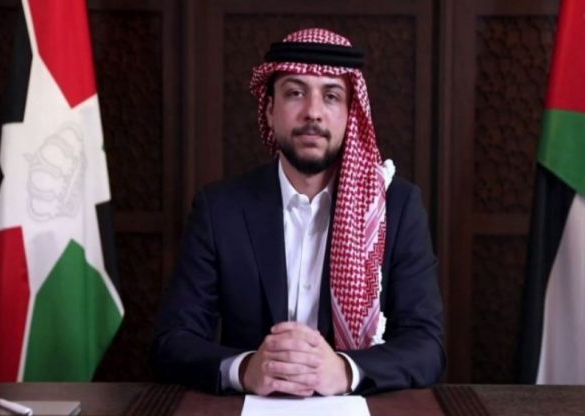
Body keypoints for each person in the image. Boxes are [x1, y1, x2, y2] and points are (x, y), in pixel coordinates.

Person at [150, 28, 445, 396]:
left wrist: (346, 370)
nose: (312, 113)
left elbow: (427, 346)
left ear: (351, 113)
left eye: (331, 96)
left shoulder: (395, 208)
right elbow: (171, 341)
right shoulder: (220, 209)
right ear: (270, 110)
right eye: (295, 93)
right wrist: (245, 369)